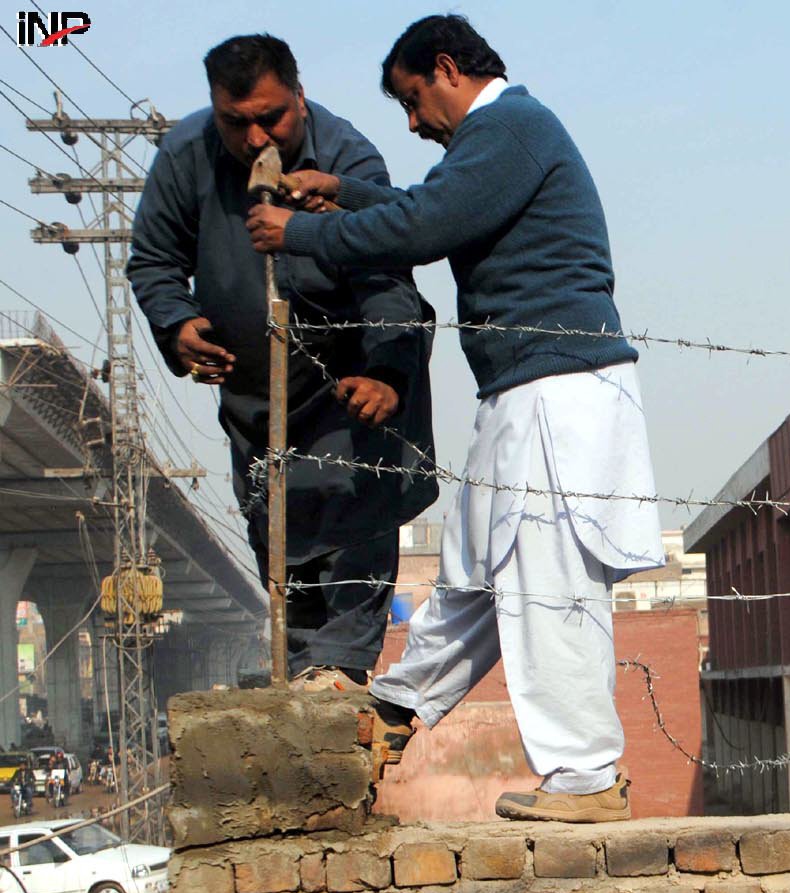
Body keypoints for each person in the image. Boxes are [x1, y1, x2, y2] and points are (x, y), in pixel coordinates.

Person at [246, 15, 663, 823]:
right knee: (477, 570)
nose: (411, 122)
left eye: (412, 100)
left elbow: (426, 224)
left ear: (446, 68)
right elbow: (429, 205)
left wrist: (305, 230)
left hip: (557, 386)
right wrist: (347, 193)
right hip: (527, 386)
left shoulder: (510, 126)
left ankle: (585, 778)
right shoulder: (501, 138)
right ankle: (394, 712)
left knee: (549, 579)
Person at [129, 34, 438, 691]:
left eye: (272, 117)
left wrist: (387, 372)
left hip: (344, 379)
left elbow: (386, 278)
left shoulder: (349, 156)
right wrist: (177, 323)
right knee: (274, 521)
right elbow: (154, 262)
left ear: (299, 96)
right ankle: (300, 667)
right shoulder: (186, 155)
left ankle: (341, 667)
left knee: (354, 510)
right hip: (253, 396)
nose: (255, 136)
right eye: (234, 122)